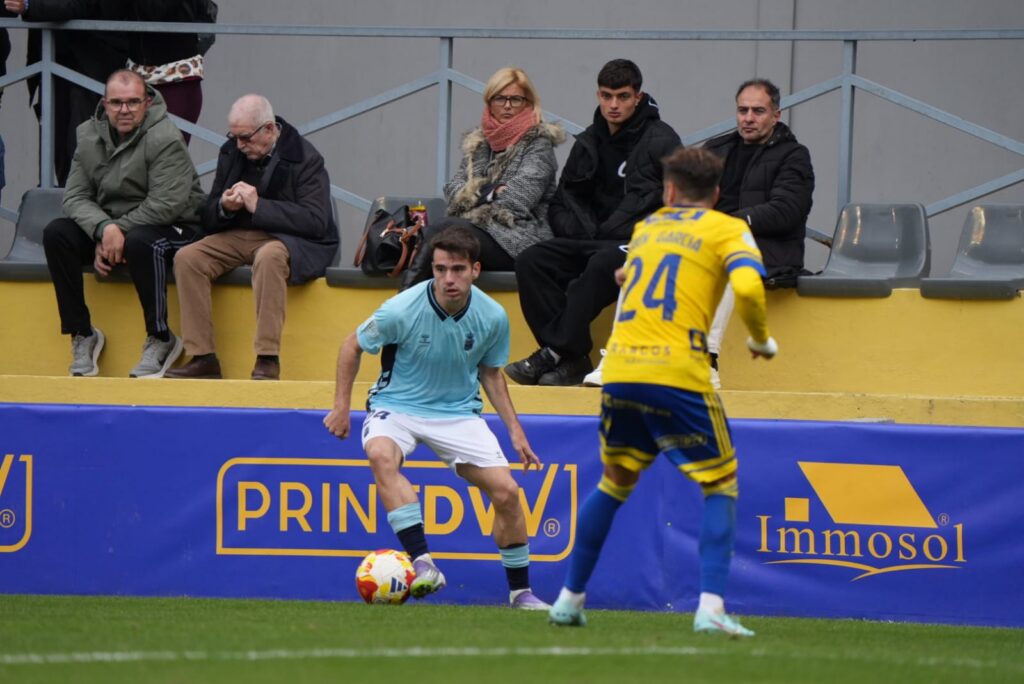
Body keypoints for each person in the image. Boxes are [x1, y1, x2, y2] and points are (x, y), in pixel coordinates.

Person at [547, 147, 777, 635]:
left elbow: (629, 278)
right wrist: (759, 338)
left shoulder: (648, 228)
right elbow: (752, 289)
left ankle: (568, 598)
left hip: (622, 370)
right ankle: (711, 608)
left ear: (669, 190)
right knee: (721, 484)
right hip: (678, 373)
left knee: (614, 482)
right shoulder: (727, 228)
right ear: (716, 194)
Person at [324, 226, 549, 610]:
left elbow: (491, 374)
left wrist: (515, 430)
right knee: (380, 455)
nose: (448, 279)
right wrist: (340, 406)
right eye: (441, 268)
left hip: (458, 414)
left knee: (507, 493)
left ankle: (520, 593)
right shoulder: (401, 309)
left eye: (458, 269)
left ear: (475, 270)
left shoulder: (492, 316)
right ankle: (424, 563)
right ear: (432, 267)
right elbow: (352, 345)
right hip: (396, 406)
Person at [582, 77, 814, 389]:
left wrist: (726, 225)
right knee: (643, 256)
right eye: (742, 110)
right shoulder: (718, 148)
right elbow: (684, 196)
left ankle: (706, 360)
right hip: (701, 242)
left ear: (776, 115)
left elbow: (787, 210)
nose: (748, 118)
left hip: (764, 248)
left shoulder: (793, 155)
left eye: (758, 111)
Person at [504, 59, 681, 387]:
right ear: (598, 95)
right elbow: (561, 201)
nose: (614, 105)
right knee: (532, 261)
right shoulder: (588, 140)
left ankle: (553, 352)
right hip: (589, 238)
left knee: (602, 263)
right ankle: (572, 356)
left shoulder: (662, 140)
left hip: (639, 242)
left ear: (638, 97)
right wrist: (576, 231)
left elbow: (679, 203)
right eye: (607, 95)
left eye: (623, 97)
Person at [41, 69, 205, 377]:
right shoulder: (88, 135)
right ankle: (82, 333)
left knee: (142, 240)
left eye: (132, 102)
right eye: (116, 103)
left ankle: (161, 337)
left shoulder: (166, 137)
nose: (125, 110)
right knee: (57, 234)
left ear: (146, 103)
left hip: (179, 224)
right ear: (104, 104)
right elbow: (74, 197)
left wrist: (116, 233)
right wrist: (105, 230)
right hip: (116, 227)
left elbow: (165, 205)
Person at [167, 94, 339, 381]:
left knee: (270, 256)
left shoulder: (306, 157)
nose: (239, 145)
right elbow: (208, 215)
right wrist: (224, 206)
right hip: (238, 234)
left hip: (290, 240)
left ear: (269, 129)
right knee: (188, 257)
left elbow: (316, 221)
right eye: (234, 137)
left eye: (245, 138)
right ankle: (203, 357)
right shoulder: (231, 151)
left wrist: (259, 206)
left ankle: (267, 358)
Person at [400, 66, 564, 289]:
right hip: (479, 233)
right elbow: (453, 190)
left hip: (521, 241)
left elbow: (516, 201)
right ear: (489, 102)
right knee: (444, 239)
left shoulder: (538, 144)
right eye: (500, 98)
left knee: (446, 228)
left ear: (528, 103)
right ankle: (412, 309)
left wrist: (473, 196)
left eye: (516, 99)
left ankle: (399, 305)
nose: (507, 105)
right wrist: (491, 192)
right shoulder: (479, 143)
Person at [5, 0, 130, 185]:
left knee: (84, 154)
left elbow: (79, 5)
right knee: (59, 154)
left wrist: (30, 6)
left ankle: (84, 208)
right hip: (53, 63)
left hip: (90, 66)